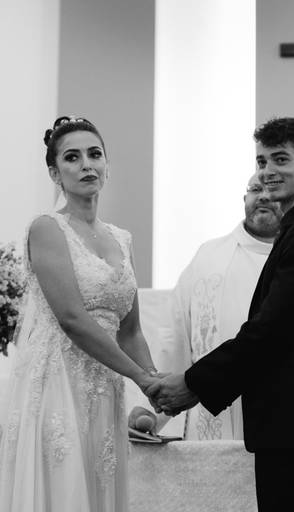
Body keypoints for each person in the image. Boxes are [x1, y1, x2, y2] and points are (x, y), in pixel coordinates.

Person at [149, 117, 294, 512]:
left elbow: (269, 333)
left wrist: (193, 385)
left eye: (280, 159)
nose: (267, 171)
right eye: (261, 161)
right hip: (286, 430)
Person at [0, 116, 161, 511]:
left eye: (95, 154)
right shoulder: (47, 228)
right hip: (59, 381)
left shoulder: (122, 239)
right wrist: (139, 376)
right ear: (55, 173)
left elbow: (131, 330)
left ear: (107, 165)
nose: (87, 164)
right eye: (72, 157)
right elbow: (72, 319)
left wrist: (155, 384)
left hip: (106, 386)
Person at [166, 173, 282, 440]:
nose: (263, 196)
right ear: (244, 198)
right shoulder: (209, 256)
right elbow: (176, 334)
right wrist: (161, 407)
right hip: (211, 415)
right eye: (256, 189)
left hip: (280, 414)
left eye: (272, 190)